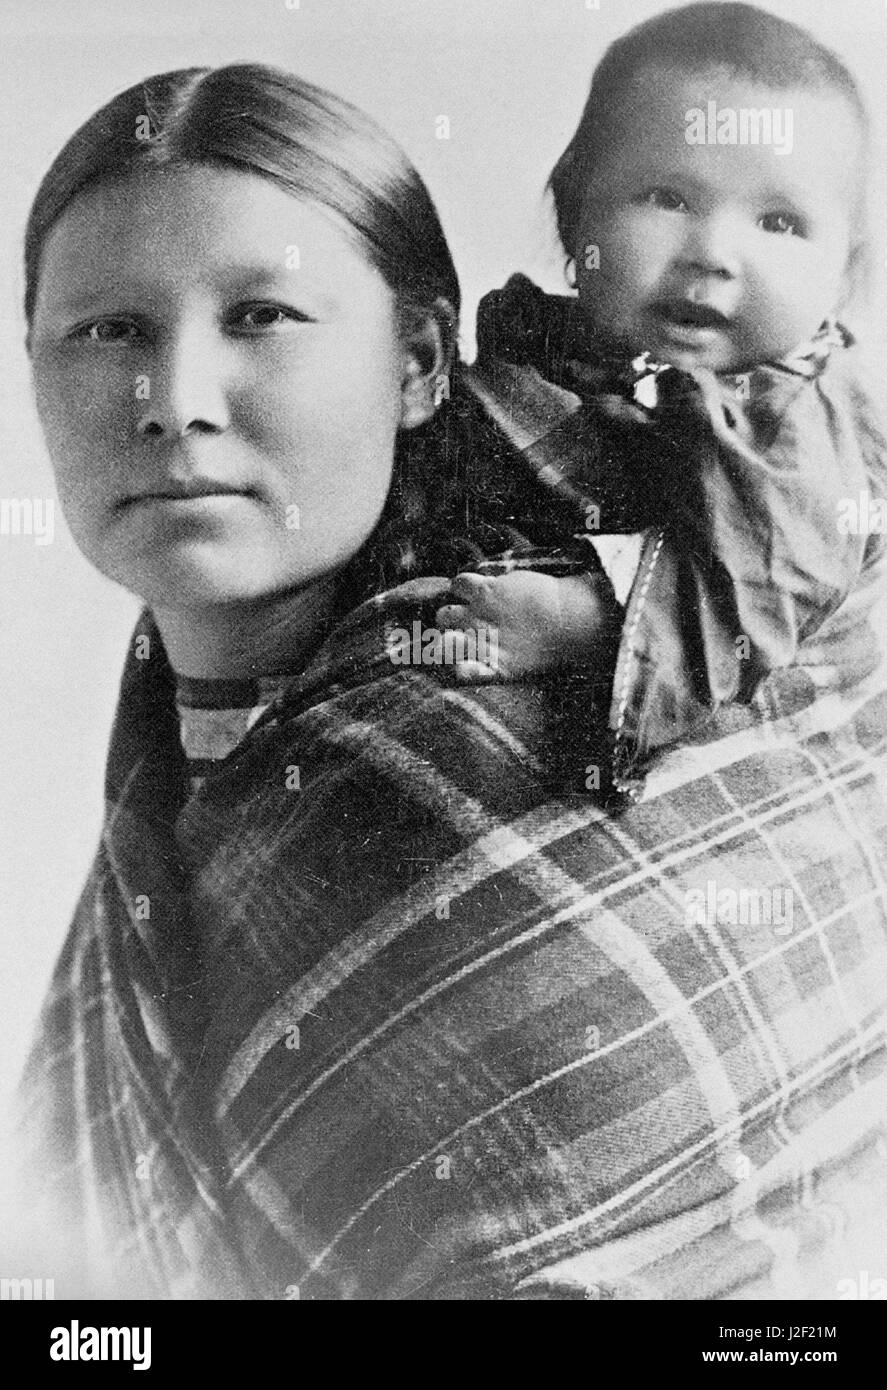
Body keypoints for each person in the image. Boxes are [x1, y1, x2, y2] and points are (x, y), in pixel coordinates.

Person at [15, 60, 887, 1301]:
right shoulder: (154, 843)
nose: (175, 405)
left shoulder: (635, 642)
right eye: (108, 331)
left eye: (260, 315)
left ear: (423, 357)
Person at [438, 2, 887, 798]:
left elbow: (773, 576)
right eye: (667, 198)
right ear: (571, 215)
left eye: (779, 221)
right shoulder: (541, 360)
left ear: (842, 277)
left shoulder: (801, 415)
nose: (712, 254)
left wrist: (588, 621)